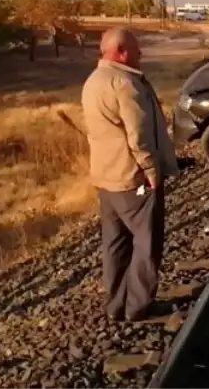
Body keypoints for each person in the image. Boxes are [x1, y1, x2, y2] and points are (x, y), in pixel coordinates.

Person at [81, 28, 179, 322]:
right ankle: (137, 305)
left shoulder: (93, 80)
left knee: (115, 244)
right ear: (121, 52)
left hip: (106, 177)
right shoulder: (125, 83)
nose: (141, 54)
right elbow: (139, 136)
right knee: (147, 241)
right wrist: (151, 170)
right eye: (137, 49)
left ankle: (115, 305)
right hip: (132, 177)